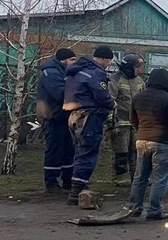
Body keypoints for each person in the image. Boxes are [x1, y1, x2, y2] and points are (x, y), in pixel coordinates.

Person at [126, 68, 168, 220]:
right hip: (163, 143)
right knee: (160, 178)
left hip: (142, 141)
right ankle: (154, 210)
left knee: (140, 177)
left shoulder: (138, 97)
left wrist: (141, 132)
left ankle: (134, 208)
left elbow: (132, 120)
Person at [62, 46, 116, 204]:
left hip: (73, 115)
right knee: (88, 153)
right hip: (89, 117)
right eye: (109, 60)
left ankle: (76, 186)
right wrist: (112, 104)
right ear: (105, 59)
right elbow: (101, 95)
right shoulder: (95, 72)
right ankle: (76, 193)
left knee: (79, 151)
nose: (108, 64)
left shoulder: (77, 70)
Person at [36, 48, 77, 193]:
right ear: (62, 60)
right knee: (55, 150)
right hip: (54, 117)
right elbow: (60, 94)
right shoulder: (51, 73)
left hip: (64, 117)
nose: (74, 62)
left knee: (68, 150)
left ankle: (68, 180)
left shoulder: (63, 72)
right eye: (71, 60)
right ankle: (51, 183)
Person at [107, 54, 146, 186]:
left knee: (136, 152)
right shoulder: (115, 80)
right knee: (121, 152)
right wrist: (111, 123)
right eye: (137, 67)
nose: (139, 70)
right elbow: (109, 102)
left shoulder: (140, 82)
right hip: (120, 123)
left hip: (135, 124)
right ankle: (120, 178)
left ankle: (137, 177)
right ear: (129, 67)